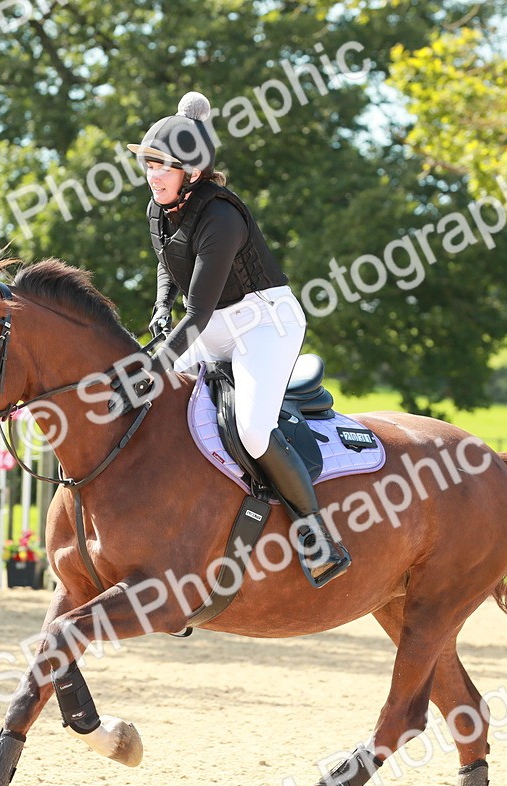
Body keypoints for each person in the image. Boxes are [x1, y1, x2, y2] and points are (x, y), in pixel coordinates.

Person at [126, 91, 350, 587]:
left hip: (264, 324)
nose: (153, 174)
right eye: (149, 163)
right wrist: (160, 308)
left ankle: (318, 538)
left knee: (251, 429)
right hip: (210, 322)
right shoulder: (159, 206)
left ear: (195, 172)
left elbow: (200, 312)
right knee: (161, 410)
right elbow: (169, 265)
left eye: (164, 166)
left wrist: (156, 366)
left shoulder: (221, 217)